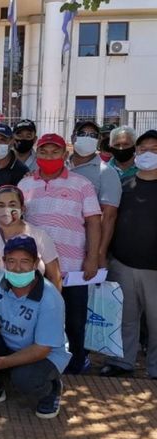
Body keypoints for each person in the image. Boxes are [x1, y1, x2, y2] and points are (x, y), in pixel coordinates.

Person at [0, 235, 71, 420]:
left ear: (36, 263)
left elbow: (43, 349)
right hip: (10, 343)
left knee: (24, 378)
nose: (18, 268)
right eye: (11, 261)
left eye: (25, 261)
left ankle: (51, 389)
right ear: (3, 262)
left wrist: (2, 362)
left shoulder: (51, 298)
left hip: (46, 354)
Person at [18, 133, 101, 374]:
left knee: (74, 321)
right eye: (43, 152)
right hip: (35, 269)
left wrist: (92, 257)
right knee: (36, 318)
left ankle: (76, 365)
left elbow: (94, 222)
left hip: (72, 267)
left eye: (55, 152)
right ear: (37, 154)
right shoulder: (25, 184)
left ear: (65, 155)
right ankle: (40, 364)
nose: (49, 157)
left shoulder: (81, 184)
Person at [100, 130, 157, 379]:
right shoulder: (123, 186)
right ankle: (121, 362)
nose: (148, 154)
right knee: (124, 317)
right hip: (122, 263)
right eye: (143, 149)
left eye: (154, 149)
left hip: (154, 269)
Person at [0, 185, 61, 289]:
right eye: (1, 205)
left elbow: (54, 277)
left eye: (12, 205)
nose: (6, 210)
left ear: (22, 209)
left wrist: (54, 303)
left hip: (32, 300)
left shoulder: (40, 236)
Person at [69, 120, 122, 268]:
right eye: (82, 134)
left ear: (98, 141)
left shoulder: (106, 172)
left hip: (86, 251)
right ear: (73, 138)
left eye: (92, 135)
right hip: (59, 245)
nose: (87, 137)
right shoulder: (61, 165)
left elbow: (108, 217)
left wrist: (98, 254)